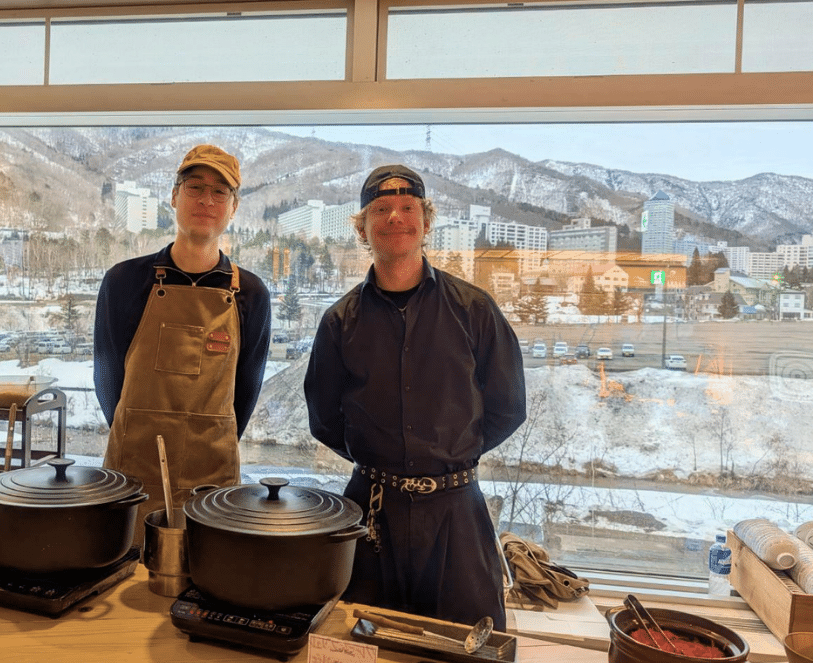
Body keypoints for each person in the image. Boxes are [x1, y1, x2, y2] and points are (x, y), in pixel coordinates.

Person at [303, 164, 526, 629]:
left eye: (408, 208)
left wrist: (448, 453)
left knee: (471, 645)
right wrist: (380, 456)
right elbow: (323, 419)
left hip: (457, 513)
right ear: (362, 228)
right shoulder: (339, 321)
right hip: (370, 511)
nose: (395, 217)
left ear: (426, 223)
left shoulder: (475, 310)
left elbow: (509, 407)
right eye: (380, 209)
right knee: (355, 642)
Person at [94, 144, 271, 542]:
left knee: (206, 568)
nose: (207, 200)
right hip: (132, 471)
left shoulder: (252, 293)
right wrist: (135, 429)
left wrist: (209, 434)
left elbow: (247, 390)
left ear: (234, 207)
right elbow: (106, 378)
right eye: (195, 187)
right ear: (174, 196)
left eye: (220, 191)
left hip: (211, 479)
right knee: (124, 568)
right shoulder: (123, 282)